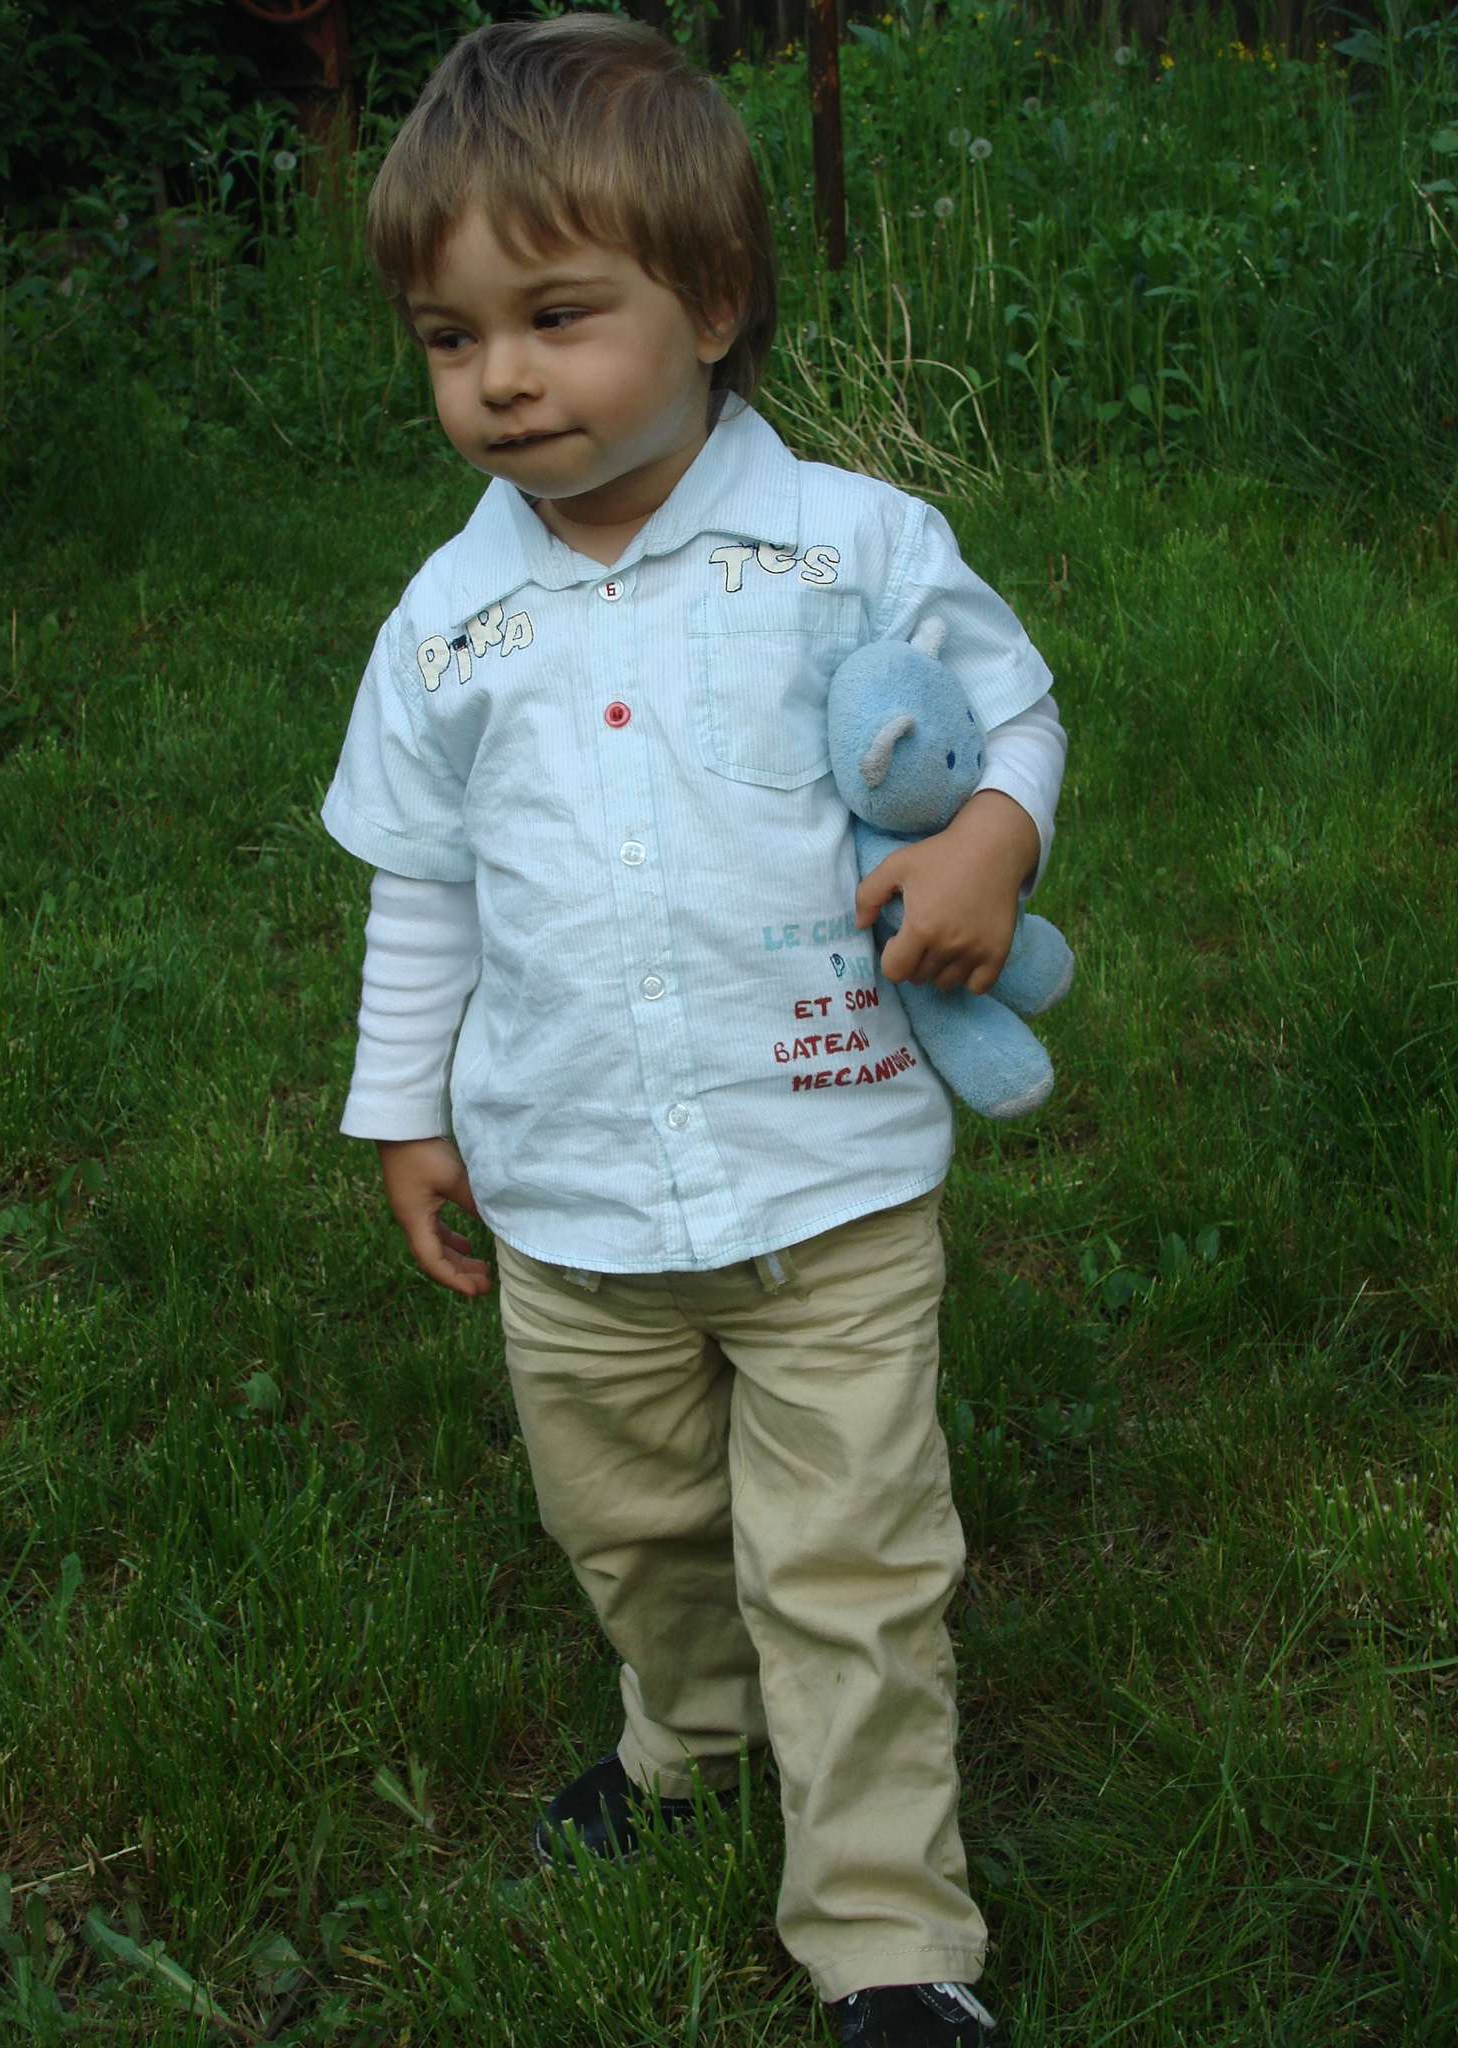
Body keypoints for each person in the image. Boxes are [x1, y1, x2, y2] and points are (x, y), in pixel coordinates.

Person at [321, 17, 1066, 2045]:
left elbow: (1009, 710)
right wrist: (406, 1110)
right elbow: (423, 885)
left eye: (555, 317)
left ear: (713, 302)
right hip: (571, 1200)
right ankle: (693, 1733)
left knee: (850, 1561)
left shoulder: (851, 546)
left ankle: (891, 1941)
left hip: (828, 1179)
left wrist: (992, 837)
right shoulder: (445, 629)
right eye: (450, 337)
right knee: (632, 1530)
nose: (499, 377)